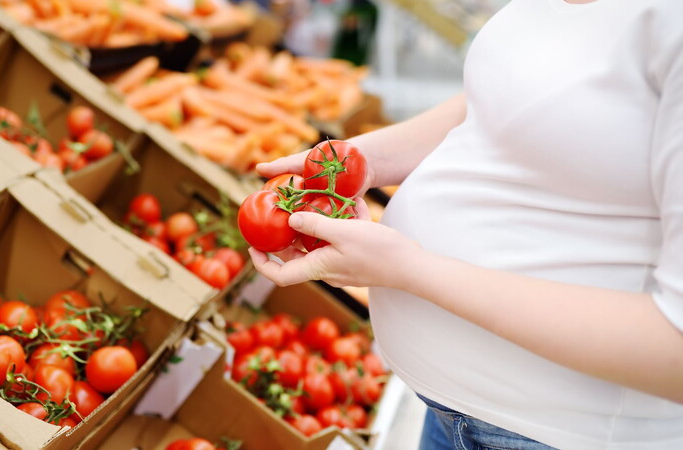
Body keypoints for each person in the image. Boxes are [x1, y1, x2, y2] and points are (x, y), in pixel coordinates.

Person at [247, 0, 683, 448]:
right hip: (452, 414)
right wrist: (363, 162)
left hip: (548, 435)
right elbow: (508, 99)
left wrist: (409, 268)